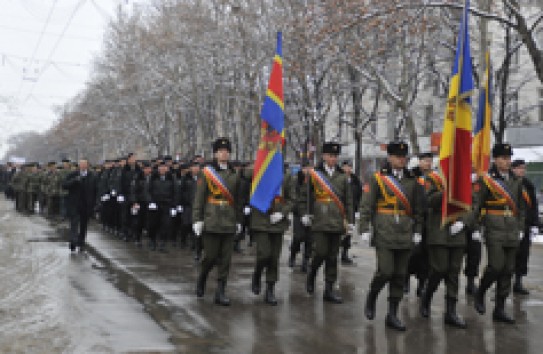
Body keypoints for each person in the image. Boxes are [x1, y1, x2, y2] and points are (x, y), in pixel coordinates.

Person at [359, 141, 423, 331]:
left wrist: (418, 230)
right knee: (385, 271)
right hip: (384, 231)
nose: (401, 160)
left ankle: (392, 314)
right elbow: (366, 205)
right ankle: (372, 296)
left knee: (399, 274)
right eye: (397, 157)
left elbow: (419, 209)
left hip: (404, 232)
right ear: (389, 158)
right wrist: (363, 228)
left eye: (404, 157)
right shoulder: (378, 178)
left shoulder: (413, 180)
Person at [472, 143, 525, 324]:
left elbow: (521, 207)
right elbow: (477, 205)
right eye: (503, 158)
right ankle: (481, 292)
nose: (507, 161)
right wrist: (475, 228)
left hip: (512, 229)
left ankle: (499, 308)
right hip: (494, 228)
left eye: (509, 158)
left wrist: (521, 227)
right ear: (495, 159)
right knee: (496, 266)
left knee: (508, 270)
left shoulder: (516, 181)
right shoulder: (486, 180)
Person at [301, 142, 354, 304]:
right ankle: (312, 272)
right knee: (321, 252)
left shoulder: (343, 177)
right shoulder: (314, 174)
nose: (333, 159)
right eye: (330, 156)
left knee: (332, 256)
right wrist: (306, 213)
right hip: (320, 219)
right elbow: (306, 196)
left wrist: (350, 221)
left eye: (335, 156)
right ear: (324, 156)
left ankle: (329, 289)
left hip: (337, 221)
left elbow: (348, 201)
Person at [193, 138, 243, 306]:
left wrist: (239, 220)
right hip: (211, 219)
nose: (224, 154)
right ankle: (202, 277)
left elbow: (237, 200)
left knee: (226, 259)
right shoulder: (206, 172)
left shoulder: (234, 174)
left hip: (228, 221)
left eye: (227, 151)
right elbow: (199, 198)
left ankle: (220, 291)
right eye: (221, 151)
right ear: (215, 153)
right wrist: (197, 219)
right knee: (210, 256)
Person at [419, 168, 468, 328]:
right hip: (439, 232)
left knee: (454, 272)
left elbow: (472, 203)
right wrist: (448, 190)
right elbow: (429, 201)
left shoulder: (463, 179)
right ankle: (427, 297)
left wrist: (464, 222)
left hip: (458, 232)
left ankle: (451, 312)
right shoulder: (433, 179)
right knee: (439, 269)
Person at [250, 168, 294, 305]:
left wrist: (283, 213)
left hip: (277, 221)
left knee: (274, 257)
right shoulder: (258, 171)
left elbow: (292, 199)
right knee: (264, 254)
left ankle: (270, 288)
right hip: (261, 219)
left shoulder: (286, 176)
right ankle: (257, 274)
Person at [406, 152, 433, 296]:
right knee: (411, 253)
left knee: (425, 255)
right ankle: (405, 279)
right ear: (419, 161)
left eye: (430, 161)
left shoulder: (433, 178)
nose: (428, 163)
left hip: (428, 221)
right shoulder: (411, 176)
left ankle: (422, 284)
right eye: (425, 161)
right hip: (414, 219)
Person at [511, 159, 539, 295]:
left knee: (523, 254)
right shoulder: (508, 184)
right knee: (509, 255)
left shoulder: (528, 185)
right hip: (511, 224)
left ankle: (518, 282)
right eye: (519, 168)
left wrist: (535, 224)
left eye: (524, 168)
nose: (522, 170)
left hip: (526, 225)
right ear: (513, 169)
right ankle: (503, 283)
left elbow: (533, 206)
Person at [62, 159, 96, 252]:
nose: (83, 166)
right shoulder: (73, 174)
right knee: (74, 223)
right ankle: (73, 241)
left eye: (85, 164)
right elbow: (64, 185)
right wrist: (74, 181)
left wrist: (95, 203)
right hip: (74, 203)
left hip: (86, 204)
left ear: (88, 165)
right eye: (81, 164)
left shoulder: (92, 176)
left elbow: (95, 190)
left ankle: (81, 242)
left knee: (83, 225)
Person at [289, 159, 312, 272]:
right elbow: (294, 198)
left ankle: (306, 261)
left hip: (311, 213)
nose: (307, 170)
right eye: (305, 168)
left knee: (309, 239)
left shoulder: (314, 180)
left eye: (309, 168)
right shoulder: (296, 180)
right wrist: (302, 214)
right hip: (298, 213)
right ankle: (293, 255)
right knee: (298, 237)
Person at [341, 160, 362, 265]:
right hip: (340, 209)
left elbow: (359, 196)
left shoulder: (355, 180)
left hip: (351, 210)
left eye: (349, 167)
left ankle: (344, 254)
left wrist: (357, 210)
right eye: (346, 166)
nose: (347, 169)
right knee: (338, 232)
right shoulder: (339, 178)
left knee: (348, 233)